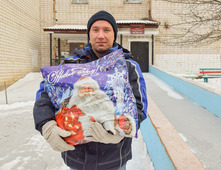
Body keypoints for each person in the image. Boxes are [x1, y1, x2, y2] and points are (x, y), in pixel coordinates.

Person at [33, 10, 148, 170]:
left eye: (106, 30)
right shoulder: (70, 65)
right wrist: (46, 124)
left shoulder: (127, 66)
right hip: (76, 158)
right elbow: (45, 96)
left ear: (114, 34)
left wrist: (123, 130)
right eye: (95, 30)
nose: (101, 35)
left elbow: (139, 107)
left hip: (114, 159)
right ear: (89, 34)